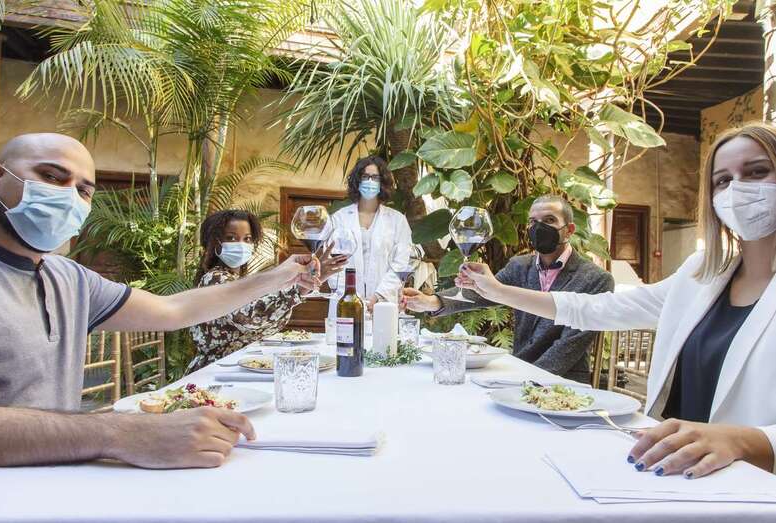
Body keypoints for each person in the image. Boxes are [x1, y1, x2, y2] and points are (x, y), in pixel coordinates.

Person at [454, 122, 776, 478]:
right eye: (723, 180)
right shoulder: (701, 273)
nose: (737, 190)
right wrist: (497, 291)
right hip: (669, 471)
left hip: (749, 485)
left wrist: (743, 441)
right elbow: (597, 309)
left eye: (757, 172)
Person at [0, 133, 318, 469]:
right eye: (51, 177)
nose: (68, 197)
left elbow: (174, 310)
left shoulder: (70, 278)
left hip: (57, 478)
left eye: (83, 191)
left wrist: (279, 276)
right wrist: (118, 433)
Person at [403, 195, 614, 383]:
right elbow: (484, 294)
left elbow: (568, 347)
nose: (539, 228)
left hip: (562, 384)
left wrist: (523, 382)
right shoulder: (519, 266)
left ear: (569, 230)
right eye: (533, 222)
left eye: (549, 220)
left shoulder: (596, 279)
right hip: (517, 372)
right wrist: (432, 301)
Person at [187, 209, 347, 372]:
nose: (241, 244)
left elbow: (264, 324)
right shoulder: (215, 279)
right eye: (231, 238)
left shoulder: (236, 280)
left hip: (238, 368)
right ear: (214, 242)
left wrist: (303, 285)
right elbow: (250, 317)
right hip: (213, 372)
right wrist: (297, 289)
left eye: (247, 239)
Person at [331, 156, 412, 312]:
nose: (370, 181)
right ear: (357, 181)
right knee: (346, 327)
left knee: (383, 327)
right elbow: (332, 263)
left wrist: (380, 295)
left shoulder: (397, 220)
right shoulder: (339, 219)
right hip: (346, 302)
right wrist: (350, 296)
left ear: (382, 183)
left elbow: (401, 263)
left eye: (375, 177)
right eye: (365, 176)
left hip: (384, 302)